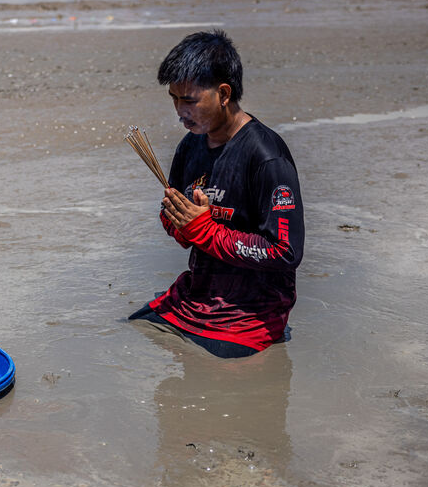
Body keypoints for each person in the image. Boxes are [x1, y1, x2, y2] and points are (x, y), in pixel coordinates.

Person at [129, 30, 304, 358]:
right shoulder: (190, 145)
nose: (180, 111)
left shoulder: (266, 156)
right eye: (174, 99)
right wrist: (178, 222)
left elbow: (285, 252)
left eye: (190, 100)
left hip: (250, 315)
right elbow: (182, 225)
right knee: (130, 334)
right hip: (195, 299)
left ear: (224, 93)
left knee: (215, 388)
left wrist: (206, 230)